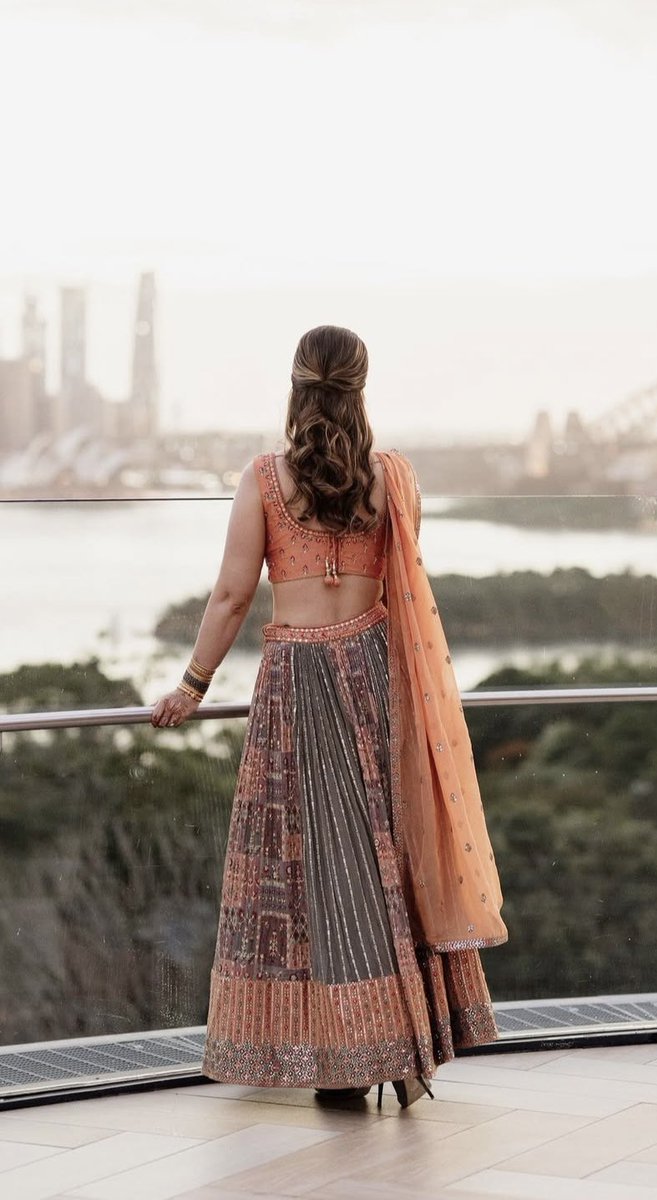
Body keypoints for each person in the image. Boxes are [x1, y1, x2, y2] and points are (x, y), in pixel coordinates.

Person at [151, 325, 507, 1110]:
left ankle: (345, 1064)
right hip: (380, 674)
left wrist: (192, 684)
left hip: (300, 680)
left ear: (294, 385)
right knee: (387, 852)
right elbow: (406, 581)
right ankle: (402, 1049)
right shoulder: (394, 480)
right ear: (360, 387)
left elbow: (231, 596)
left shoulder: (264, 480)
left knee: (312, 869)